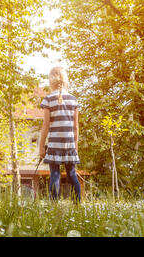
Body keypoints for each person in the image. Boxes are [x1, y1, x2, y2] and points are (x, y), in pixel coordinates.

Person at [39, 66, 81, 203]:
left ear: (51, 80)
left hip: (54, 143)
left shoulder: (48, 99)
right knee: (72, 174)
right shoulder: (73, 100)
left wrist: (41, 147)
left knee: (55, 175)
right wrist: (75, 145)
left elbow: (45, 125)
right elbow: (75, 126)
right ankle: (77, 205)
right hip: (69, 143)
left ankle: (53, 207)